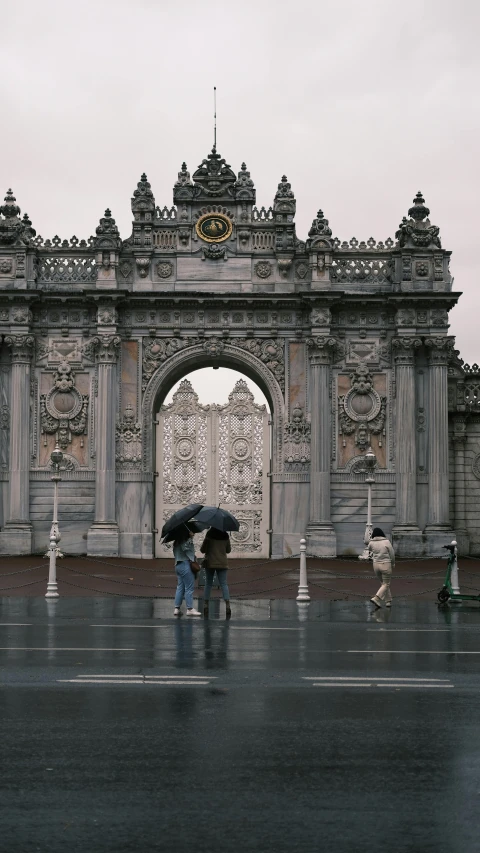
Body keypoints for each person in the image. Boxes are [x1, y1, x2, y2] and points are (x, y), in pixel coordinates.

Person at [200, 529, 232, 618]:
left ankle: (206, 604)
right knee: (224, 584)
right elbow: (228, 550)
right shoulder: (225, 535)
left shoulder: (209, 534)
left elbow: (203, 550)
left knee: (208, 584)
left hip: (210, 562)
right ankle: (227, 605)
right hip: (222, 562)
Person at [173, 523, 201, 617]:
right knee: (189, 588)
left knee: (180, 587)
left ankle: (177, 608)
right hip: (185, 564)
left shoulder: (176, 542)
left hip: (178, 565)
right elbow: (186, 549)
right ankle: (190, 609)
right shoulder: (184, 541)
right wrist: (190, 538)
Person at [368, 527, 395, 609]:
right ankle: (376, 598)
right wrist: (393, 563)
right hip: (386, 564)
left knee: (383, 584)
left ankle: (388, 601)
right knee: (386, 584)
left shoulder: (371, 543)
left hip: (375, 564)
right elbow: (392, 554)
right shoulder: (386, 542)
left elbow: (369, 550)